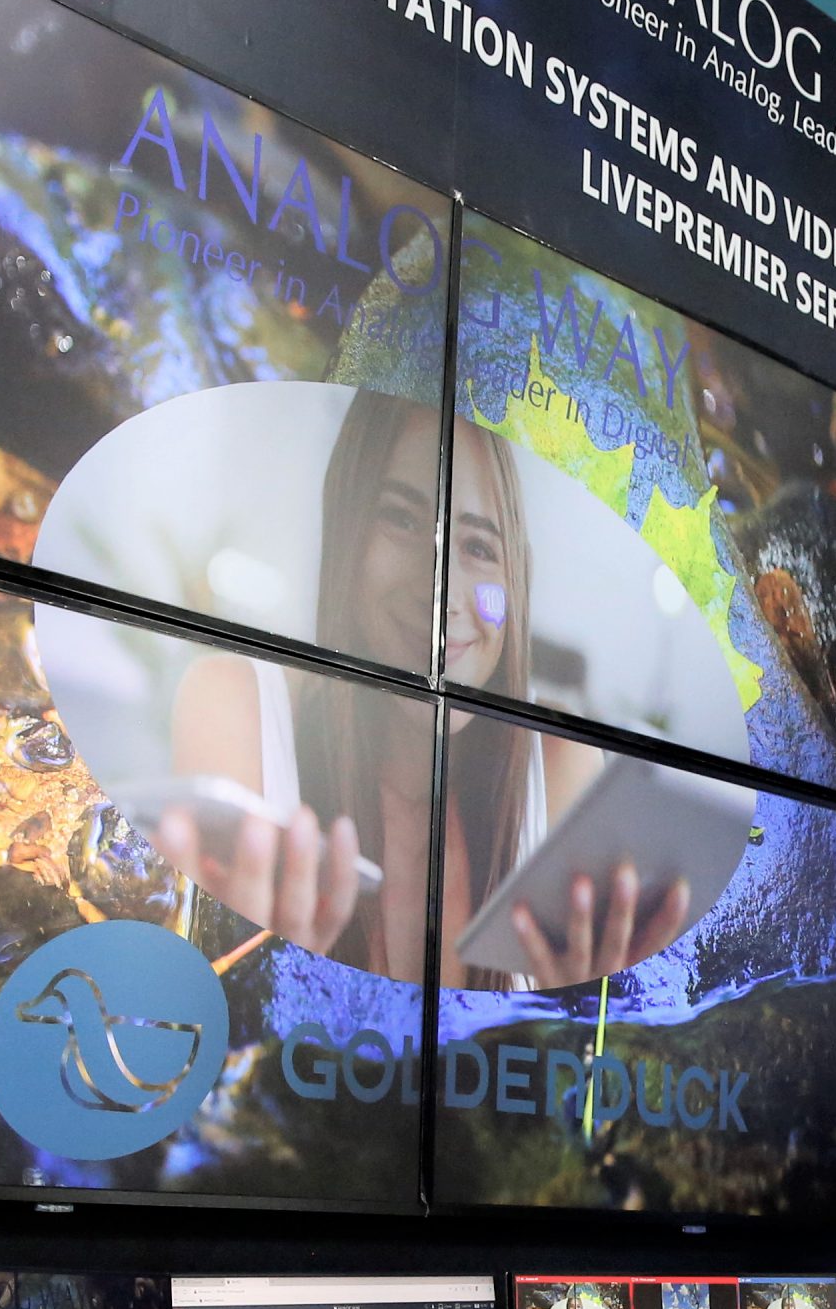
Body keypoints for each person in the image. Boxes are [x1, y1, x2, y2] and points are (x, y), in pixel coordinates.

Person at [156, 393, 687, 987]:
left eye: (480, 548)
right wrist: (262, 979)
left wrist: (583, 1013)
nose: (443, 595)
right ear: (347, 527)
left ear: (518, 581)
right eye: (403, 520)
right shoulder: (238, 705)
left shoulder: (559, 759)